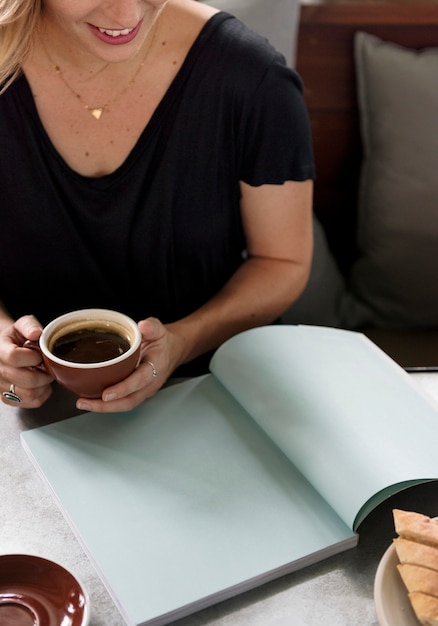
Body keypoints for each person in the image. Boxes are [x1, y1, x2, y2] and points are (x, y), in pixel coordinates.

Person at [0, 0, 314, 412]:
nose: (127, 15)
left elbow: (282, 261)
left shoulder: (253, 77)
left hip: (207, 391)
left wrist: (181, 343)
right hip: (30, 412)